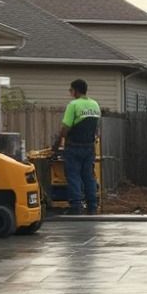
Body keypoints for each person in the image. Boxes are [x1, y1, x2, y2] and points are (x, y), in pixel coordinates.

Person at [50, 79, 101, 214]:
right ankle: (92, 205)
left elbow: (66, 127)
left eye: (71, 90)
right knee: (88, 176)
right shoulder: (95, 105)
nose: (70, 93)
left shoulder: (73, 105)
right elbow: (96, 128)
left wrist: (56, 144)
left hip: (74, 147)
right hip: (89, 147)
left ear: (76, 91)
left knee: (73, 175)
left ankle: (76, 206)